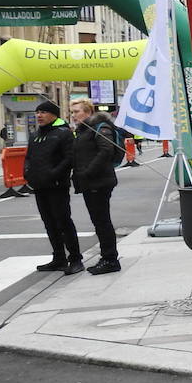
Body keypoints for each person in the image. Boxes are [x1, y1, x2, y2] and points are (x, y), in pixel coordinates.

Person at [24, 100, 83, 275]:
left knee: (63, 222)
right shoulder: (35, 135)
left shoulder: (63, 133)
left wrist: (54, 173)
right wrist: (27, 173)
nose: (39, 115)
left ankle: (75, 258)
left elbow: (69, 158)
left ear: (53, 115)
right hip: (39, 185)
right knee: (49, 223)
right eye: (37, 112)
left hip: (57, 186)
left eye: (43, 112)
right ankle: (58, 258)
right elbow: (29, 157)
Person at [68, 99, 122, 275]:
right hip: (90, 182)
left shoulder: (99, 127)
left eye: (77, 112)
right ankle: (107, 257)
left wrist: (87, 172)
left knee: (102, 221)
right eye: (73, 112)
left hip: (98, 181)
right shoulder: (84, 130)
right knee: (99, 221)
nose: (74, 115)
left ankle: (110, 259)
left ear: (88, 112)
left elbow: (106, 150)